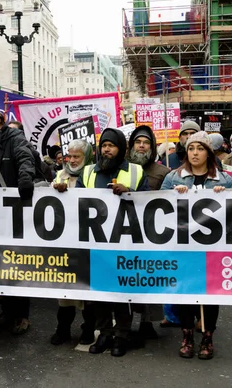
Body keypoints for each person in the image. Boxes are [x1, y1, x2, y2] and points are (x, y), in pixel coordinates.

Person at [161, 131, 232, 360]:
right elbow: (158, 205)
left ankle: (207, 338)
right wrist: (172, 194)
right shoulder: (174, 177)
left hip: (212, 249)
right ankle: (187, 336)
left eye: (200, 149)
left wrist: (225, 195)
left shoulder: (224, 179)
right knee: (185, 293)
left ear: (208, 152)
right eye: (191, 148)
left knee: (210, 296)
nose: (195, 153)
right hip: (183, 247)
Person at [76, 128, 149, 357]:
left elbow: (147, 203)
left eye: (111, 145)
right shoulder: (88, 172)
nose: (106, 149)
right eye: (103, 145)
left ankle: (122, 335)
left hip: (124, 243)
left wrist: (130, 193)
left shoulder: (136, 171)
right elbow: (75, 200)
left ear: (121, 149)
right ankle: (105, 333)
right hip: (97, 243)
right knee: (100, 294)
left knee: (122, 293)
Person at [0, 107, 35, 335]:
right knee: (0, 264)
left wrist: (24, 180)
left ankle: (21, 315)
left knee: (18, 263)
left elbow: (25, 159)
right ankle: (8, 311)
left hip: (15, 209)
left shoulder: (14, 138)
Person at [50, 139, 96, 346]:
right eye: (70, 155)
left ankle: (88, 329)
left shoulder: (94, 174)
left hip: (88, 239)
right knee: (65, 290)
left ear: (87, 157)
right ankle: (63, 329)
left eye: (77, 156)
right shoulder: (60, 175)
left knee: (88, 291)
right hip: (66, 239)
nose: (72, 160)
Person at [127, 125, 170, 339]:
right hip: (123, 235)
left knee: (149, 280)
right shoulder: (121, 169)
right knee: (125, 278)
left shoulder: (163, 173)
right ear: (131, 145)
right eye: (138, 142)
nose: (142, 146)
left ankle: (146, 323)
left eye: (146, 143)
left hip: (151, 236)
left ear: (152, 147)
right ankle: (124, 322)